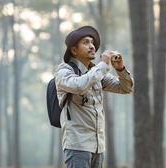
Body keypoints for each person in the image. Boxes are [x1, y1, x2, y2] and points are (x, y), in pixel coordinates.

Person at [54, 25, 134, 168]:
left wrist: (120, 69)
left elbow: (125, 88)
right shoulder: (64, 71)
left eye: (92, 42)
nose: (92, 46)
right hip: (77, 146)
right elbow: (79, 85)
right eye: (86, 42)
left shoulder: (96, 73)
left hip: (98, 147)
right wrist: (103, 64)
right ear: (74, 50)